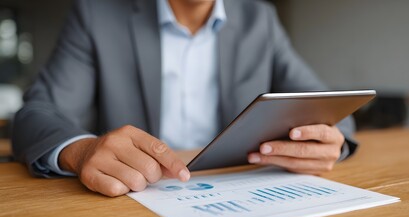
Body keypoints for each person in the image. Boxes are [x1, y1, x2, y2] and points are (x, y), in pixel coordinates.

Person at [12, 0, 357, 197]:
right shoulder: (96, 15)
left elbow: (330, 107)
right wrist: (82, 149)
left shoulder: (259, 18)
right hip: (135, 199)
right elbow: (35, 115)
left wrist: (327, 142)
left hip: (239, 193)